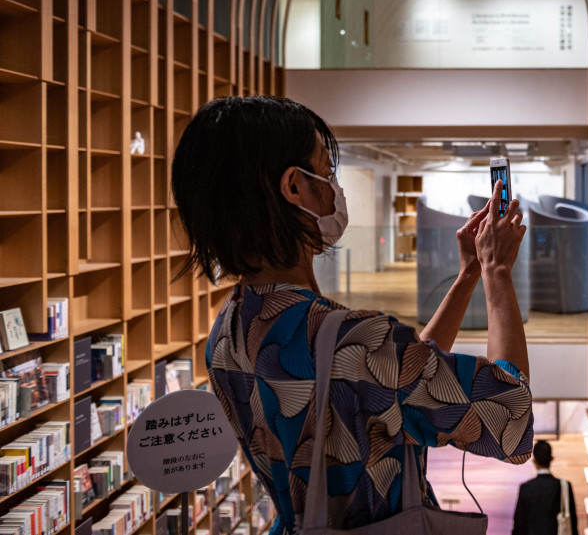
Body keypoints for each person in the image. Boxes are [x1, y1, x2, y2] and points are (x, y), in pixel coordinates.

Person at [170, 96, 533, 532]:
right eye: (325, 170)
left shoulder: (227, 332)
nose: (333, 185)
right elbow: (514, 425)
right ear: (293, 188)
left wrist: (466, 277)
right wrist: (496, 273)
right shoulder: (357, 340)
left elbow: (395, 381)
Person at [511, 440, 579, 535]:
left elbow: (519, 522)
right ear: (551, 459)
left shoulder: (526, 487)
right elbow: (572, 521)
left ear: (534, 461)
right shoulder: (564, 486)